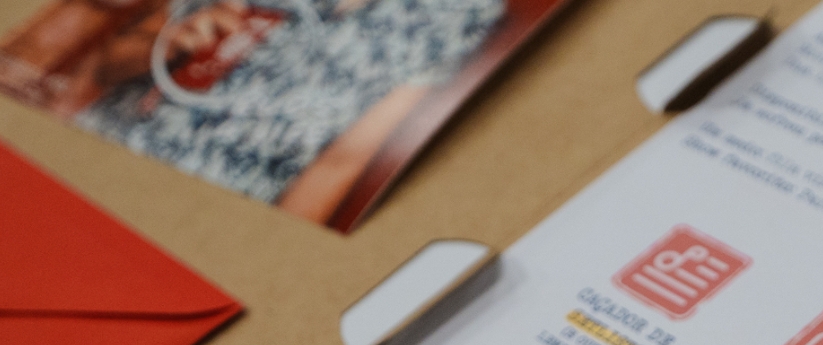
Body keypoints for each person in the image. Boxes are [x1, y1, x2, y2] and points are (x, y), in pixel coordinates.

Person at [72, 0, 505, 222]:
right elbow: (107, 66)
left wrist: (278, 256)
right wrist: (165, 45)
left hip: (208, 206)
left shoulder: (459, 10)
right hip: (98, 151)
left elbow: (342, 162)